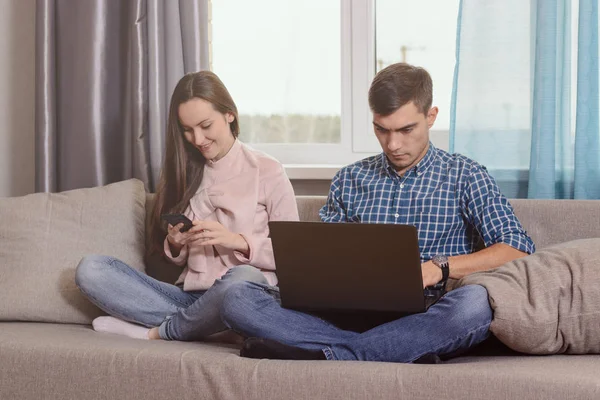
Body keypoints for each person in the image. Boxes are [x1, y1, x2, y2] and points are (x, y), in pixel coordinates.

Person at [218, 63, 536, 363]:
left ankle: (331, 351)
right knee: (237, 297)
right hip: (349, 311)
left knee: (476, 305)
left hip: (432, 309)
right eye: (381, 130)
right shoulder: (350, 179)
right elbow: (326, 258)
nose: (393, 143)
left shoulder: (466, 175)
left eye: (406, 129)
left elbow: (519, 249)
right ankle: (393, 348)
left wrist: (439, 268)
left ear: (432, 116)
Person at [75, 71, 299, 341]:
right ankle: (213, 329)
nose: (198, 139)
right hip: (189, 298)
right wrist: (177, 243)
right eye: (187, 130)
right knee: (92, 269)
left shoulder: (268, 170)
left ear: (229, 114)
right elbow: (175, 260)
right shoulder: (185, 170)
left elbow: (293, 257)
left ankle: (159, 333)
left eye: (206, 126)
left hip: (247, 293)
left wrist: (238, 241)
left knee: (240, 280)